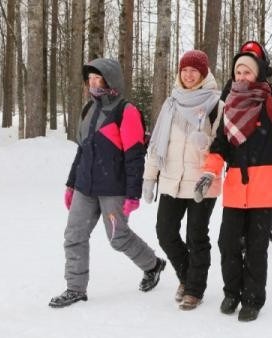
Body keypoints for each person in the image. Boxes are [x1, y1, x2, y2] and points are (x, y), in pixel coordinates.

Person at [194, 50, 272, 321]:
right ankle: (232, 292)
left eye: (247, 72)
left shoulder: (271, 104)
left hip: (264, 188)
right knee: (227, 243)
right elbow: (220, 145)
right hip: (235, 188)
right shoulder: (229, 106)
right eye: (238, 72)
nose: (242, 76)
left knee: (256, 247)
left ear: (257, 75)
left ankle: (252, 299)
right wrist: (209, 172)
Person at [49, 58, 166, 308]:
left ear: (110, 80)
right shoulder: (88, 109)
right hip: (85, 186)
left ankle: (153, 265)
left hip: (113, 188)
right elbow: (82, 151)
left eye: (98, 78)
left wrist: (133, 194)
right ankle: (75, 289)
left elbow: (134, 155)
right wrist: (71, 184)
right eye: (89, 79)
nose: (93, 83)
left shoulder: (127, 111)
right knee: (73, 236)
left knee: (118, 238)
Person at [141, 50, 223, 310]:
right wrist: (149, 178)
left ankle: (194, 290)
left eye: (194, 70)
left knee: (196, 237)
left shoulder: (216, 105)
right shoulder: (171, 103)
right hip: (171, 180)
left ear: (203, 73)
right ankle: (187, 277)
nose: (188, 75)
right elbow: (158, 144)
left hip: (201, 181)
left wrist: (205, 144)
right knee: (165, 233)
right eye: (184, 70)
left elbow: (223, 147)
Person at [221, 40, 272, 243]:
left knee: (266, 185)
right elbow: (224, 107)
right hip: (239, 144)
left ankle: (267, 218)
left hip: (267, 137)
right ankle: (241, 233)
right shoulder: (233, 84)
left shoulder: (271, 80)